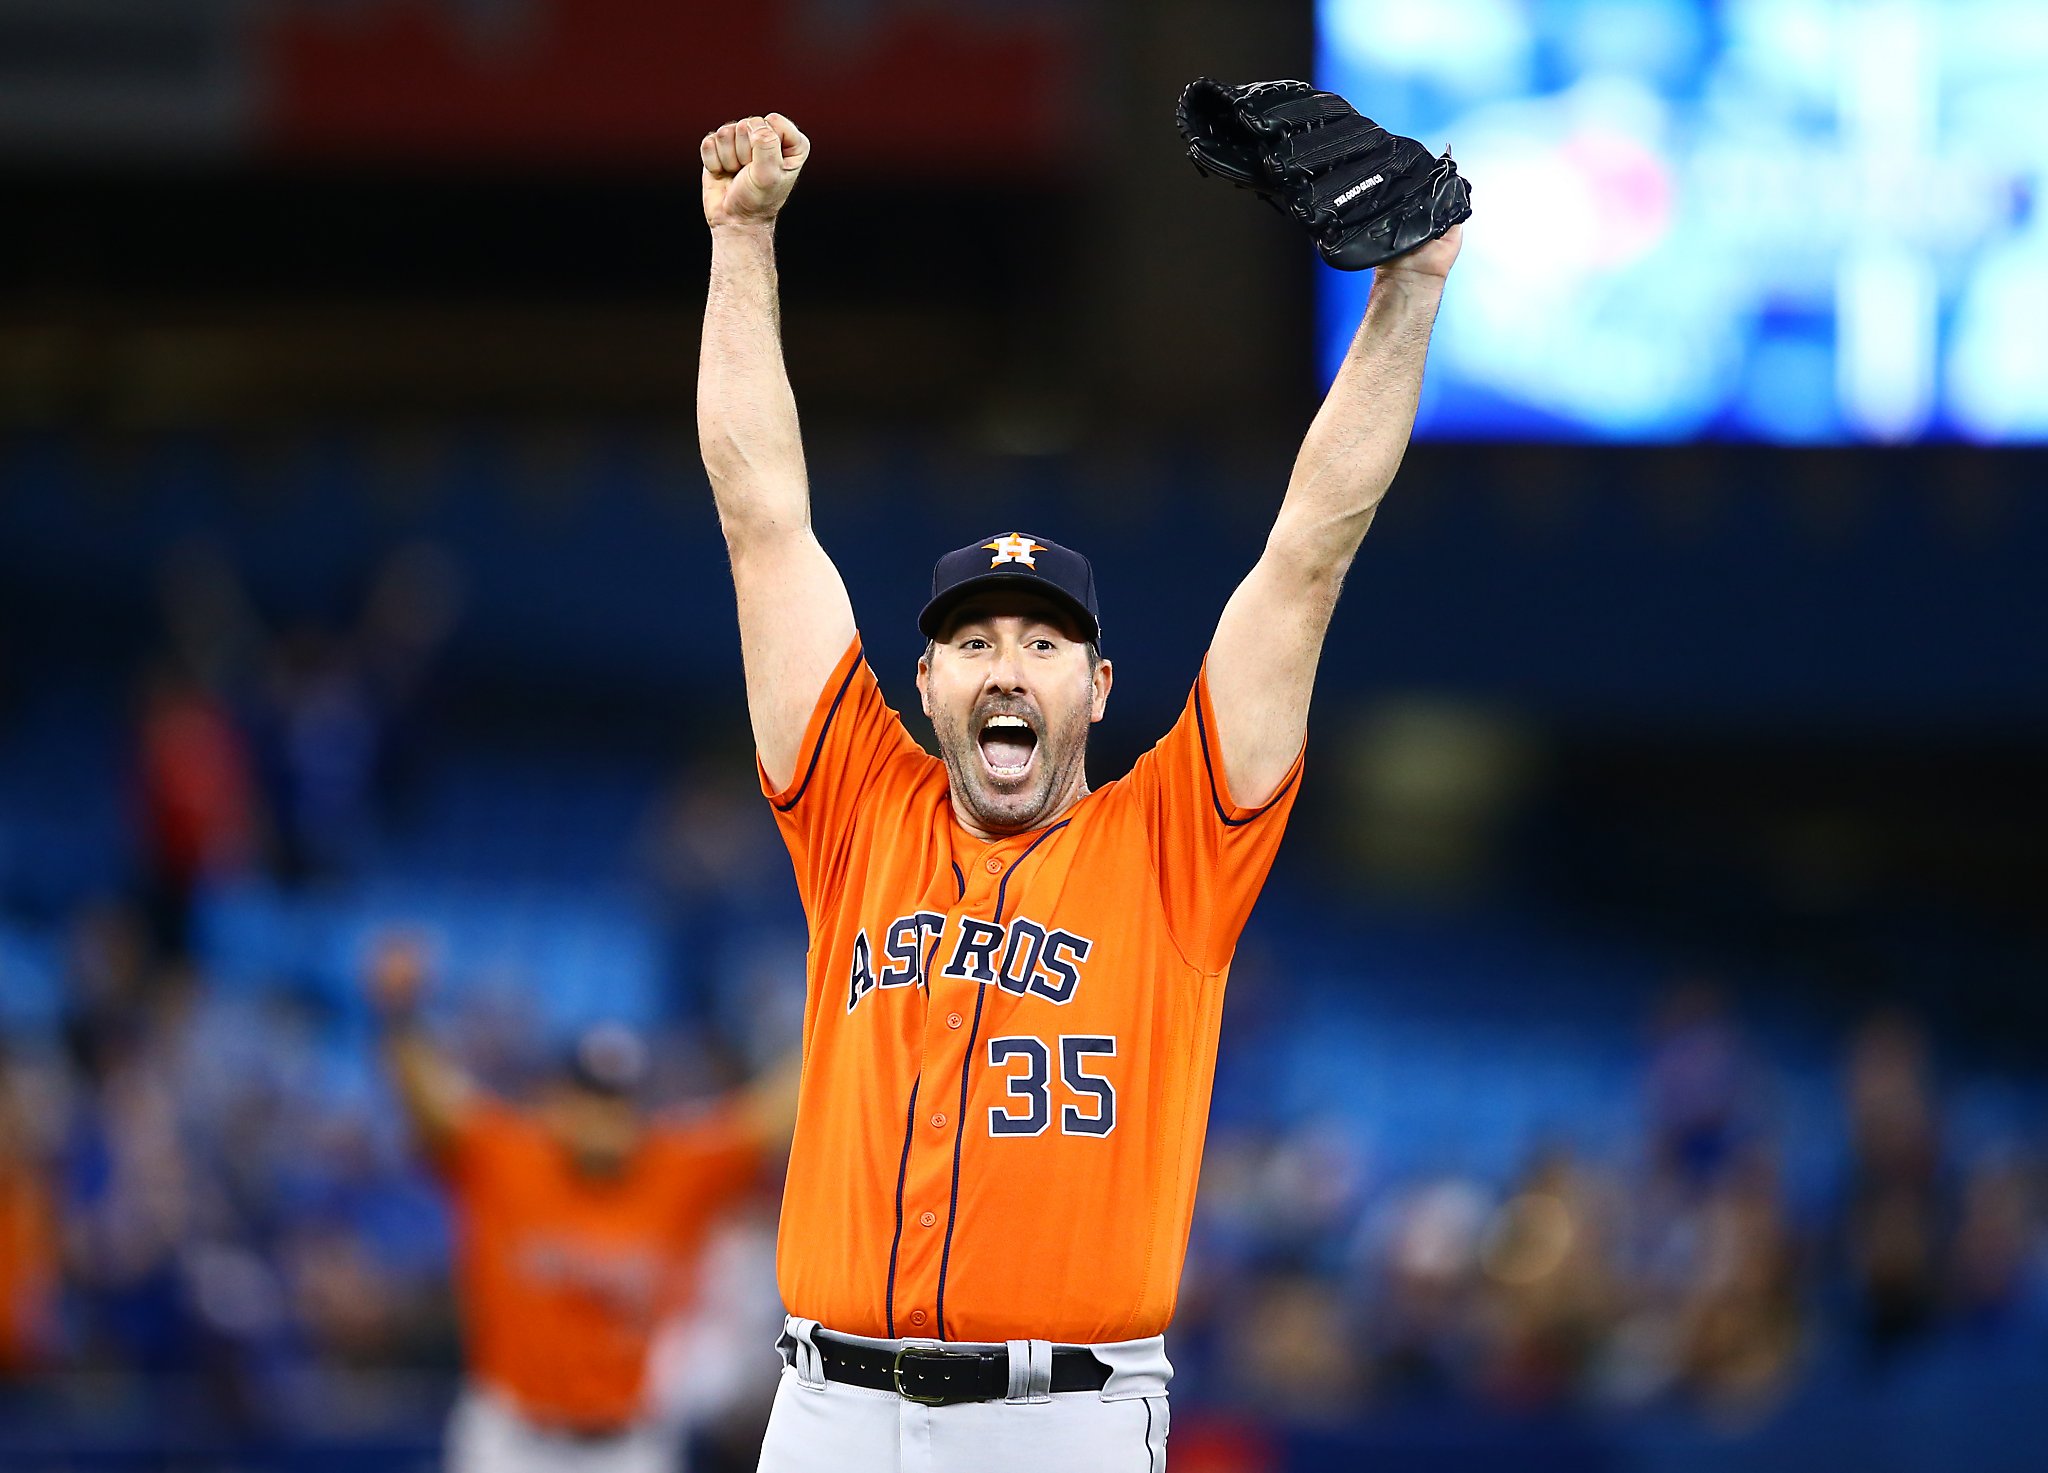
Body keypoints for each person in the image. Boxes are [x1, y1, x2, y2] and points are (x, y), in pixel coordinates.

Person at [696, 111, 1459, 1471]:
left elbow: (1307, 552)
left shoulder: (1179, 841)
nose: (1010, 667)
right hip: (828, 1412)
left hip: (1065, 1422)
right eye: (976, 642)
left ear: (1097, 689)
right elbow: (762, 515)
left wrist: (1414, 288)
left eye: (1045, 644)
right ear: (925, 686)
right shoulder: (855, 807)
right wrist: (742, 240)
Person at [365, 934, 798, 1473]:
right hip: (509, 1440)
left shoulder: (677, 1166)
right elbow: (430, 1102)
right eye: (589, 1100)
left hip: (627, 1444)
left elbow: (772, 1114)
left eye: (616, 1102)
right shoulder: (506, 1155)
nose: (604, 1121)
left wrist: (845, 1018)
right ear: (556, 1102)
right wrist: (400, 1015)